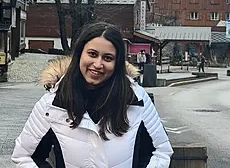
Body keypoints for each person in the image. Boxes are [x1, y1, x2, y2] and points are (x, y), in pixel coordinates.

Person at [11, 22, 173, 168]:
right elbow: (25, 156)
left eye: (107, 58)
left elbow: (160, 151)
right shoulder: (53, 104)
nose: (98, 64)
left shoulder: (136, 99)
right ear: (80, 54)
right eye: (92, 54)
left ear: (117, 63)